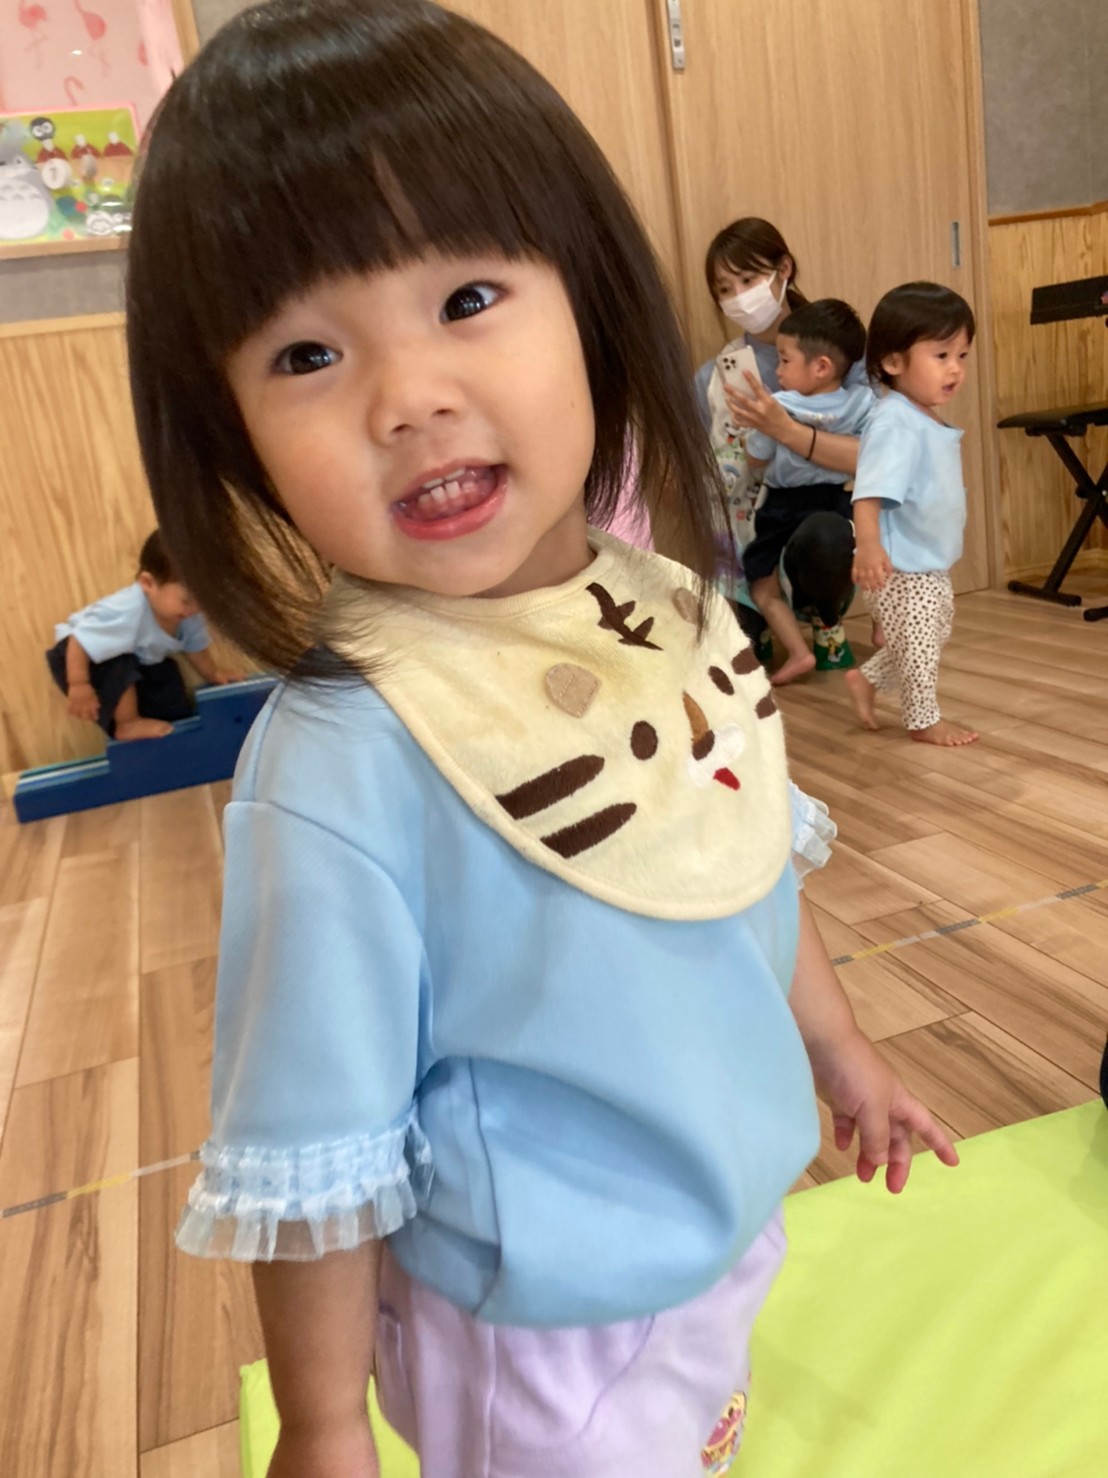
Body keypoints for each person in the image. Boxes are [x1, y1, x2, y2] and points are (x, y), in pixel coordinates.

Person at [126, 5, 958, 1475]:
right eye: (308, 351)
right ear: (230, 430)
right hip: (536, 1333)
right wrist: (322, 1421)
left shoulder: (663, 608)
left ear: (588, 298)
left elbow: (735, 862)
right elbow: (315, 1139)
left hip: (719, 1232)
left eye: (466, 297)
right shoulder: (344, 755)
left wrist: (845, 1057)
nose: (409, 399)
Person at [698, 219, 869, 670]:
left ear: (784, 269)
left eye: (748, 280)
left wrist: (785, 431)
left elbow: (879, 457)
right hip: (747, 523)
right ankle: (768, 627)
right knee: (743, 644)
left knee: (826, 537)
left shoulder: (841, 353)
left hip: (825, 515)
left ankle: (826, 615)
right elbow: (714, 467)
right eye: (725, 289)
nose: (739, 297)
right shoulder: (717, 375)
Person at [845, 282, 979, 747]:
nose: (955, 368)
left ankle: (865, 680)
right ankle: (924, 720)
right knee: (919, 643)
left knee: (928, 634)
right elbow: (869, 492)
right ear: (893, 362)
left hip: (927, 561)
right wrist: (868, 546)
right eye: (941, 355)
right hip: (900, 567)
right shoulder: (895, 421)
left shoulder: (921, 416)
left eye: (962, 355)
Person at [743, 299, 874, 684]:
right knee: (869, 552)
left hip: (784, 506)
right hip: (838, 500)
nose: (778, 370)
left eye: (784, 360)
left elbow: (755, 457)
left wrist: (756, 429)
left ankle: (798, 652)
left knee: (762, 586)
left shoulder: (780, 405)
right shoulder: (862, 402)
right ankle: (880, 625)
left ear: (820, 367)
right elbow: (876, 451)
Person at [45, 528, 237, 740]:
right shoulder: (128, 609)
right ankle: (127, 724)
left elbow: (195, 648)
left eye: (202, 601)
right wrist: (79, 684)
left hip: (134, 660)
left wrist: (214, 674)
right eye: (186, 600)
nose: (194, 609)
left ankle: (175, 723)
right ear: (147, 583)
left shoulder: (188, 614)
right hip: (79, 658)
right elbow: (80, 640)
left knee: (166, 673)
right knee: (120, 661)